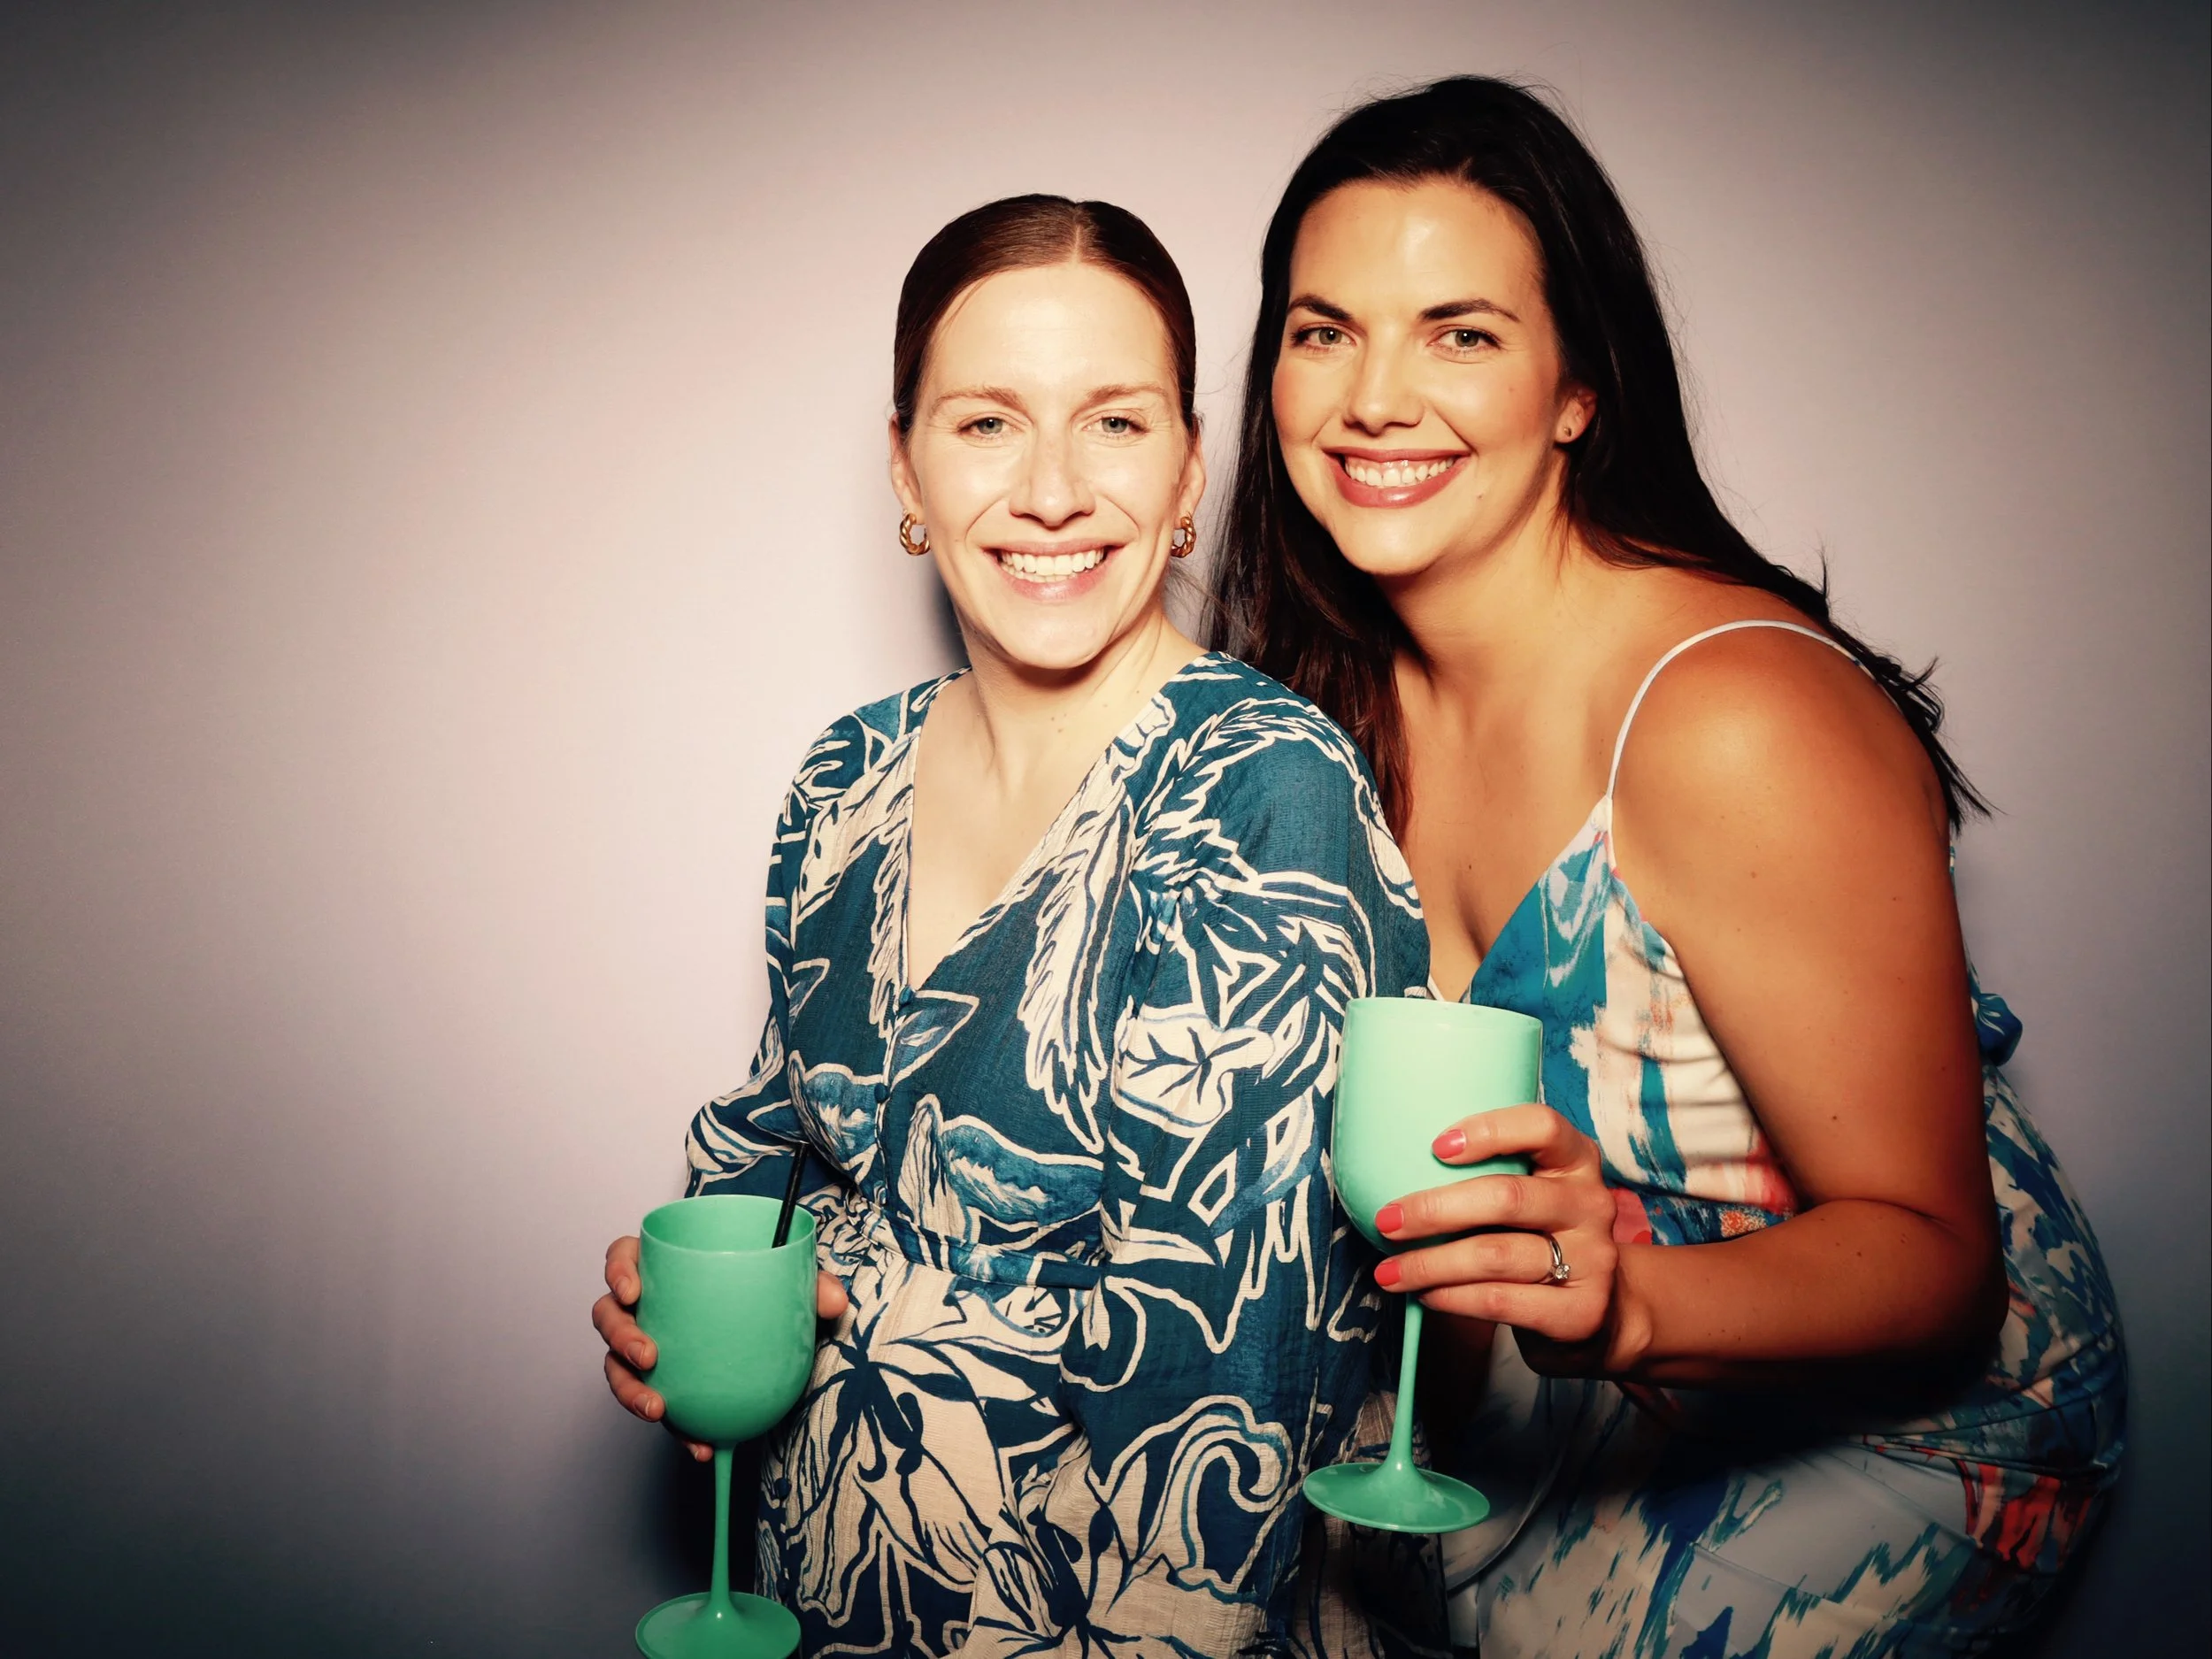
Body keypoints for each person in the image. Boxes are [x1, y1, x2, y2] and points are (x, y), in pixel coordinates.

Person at [1210, 79, 2125, 1657]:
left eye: (1462, 332)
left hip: (1896, 1431)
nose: (1374, 397)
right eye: (1323, 329)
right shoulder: (1323, 714)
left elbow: (1934, 1263)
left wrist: (1631, 1302)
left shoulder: (1728, 719)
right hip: (1543, 1395)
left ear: (1580, 388)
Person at [593, 194, 1430, 1657]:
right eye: (986, 423)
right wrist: (704, 1316)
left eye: (1112, 422)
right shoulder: (843, 777)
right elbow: (777, 1149)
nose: (1052, 490)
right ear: (904, 466)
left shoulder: (1264, 795)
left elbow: (1230, 1417)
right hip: (824, 1600)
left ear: (1188, 472)